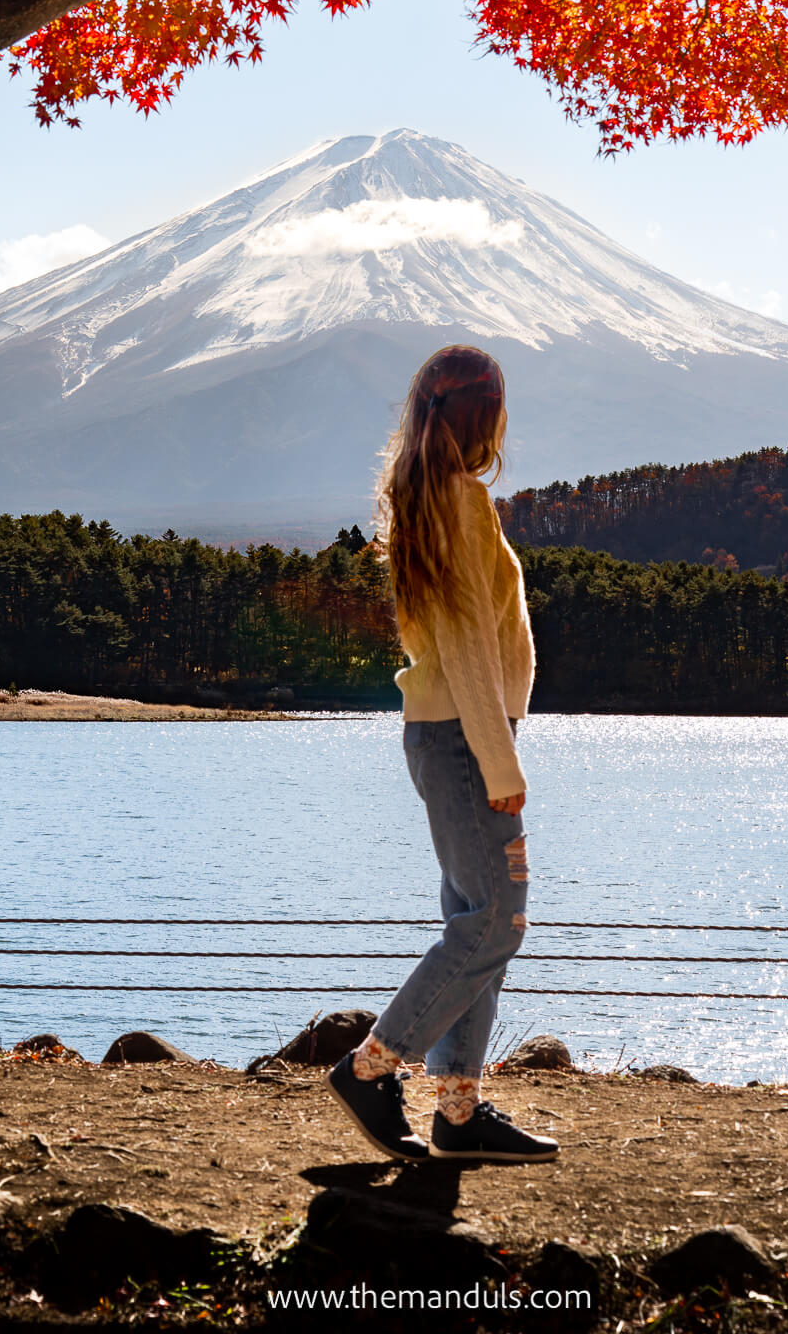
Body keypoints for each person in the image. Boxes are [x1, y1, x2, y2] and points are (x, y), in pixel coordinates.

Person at [327, 344, 558, 1164]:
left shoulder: (424, 497)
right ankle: (370, 1068)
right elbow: (467, 648)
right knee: (496, 923)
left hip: (448, 736)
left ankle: (459, 1114)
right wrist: (503, 766)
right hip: (466, 740)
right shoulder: (459, 500)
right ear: (484, 413)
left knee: (475, 923)